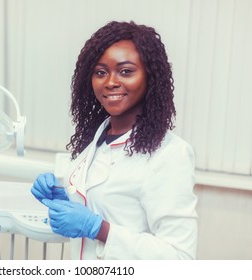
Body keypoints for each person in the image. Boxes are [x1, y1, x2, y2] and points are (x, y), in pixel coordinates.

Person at [31, 21, 197, 260]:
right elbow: (107, 206)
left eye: (126, 71)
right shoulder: (96, 139)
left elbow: (180, 258)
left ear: (151, 77)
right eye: (100, 72)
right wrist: (66, 199)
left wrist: (100, 229)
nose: (110, 82)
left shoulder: (170, 153)